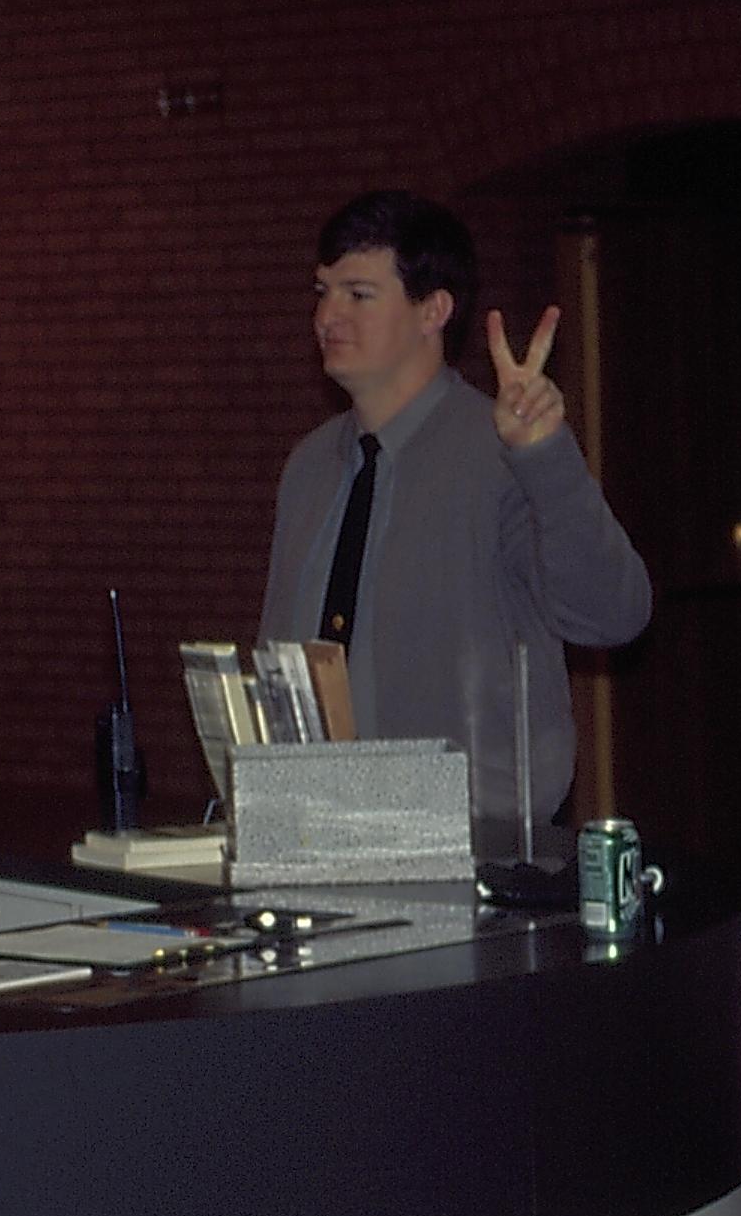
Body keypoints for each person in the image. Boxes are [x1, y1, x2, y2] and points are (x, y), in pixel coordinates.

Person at [258, 191, 652, 845]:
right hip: (313, 832)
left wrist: (547, 457)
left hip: (472, 843)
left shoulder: (498, 453)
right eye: (322, 291)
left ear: (433, 310)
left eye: (358, 294)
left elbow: (613, 613)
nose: (328, 315)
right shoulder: (309, 468)